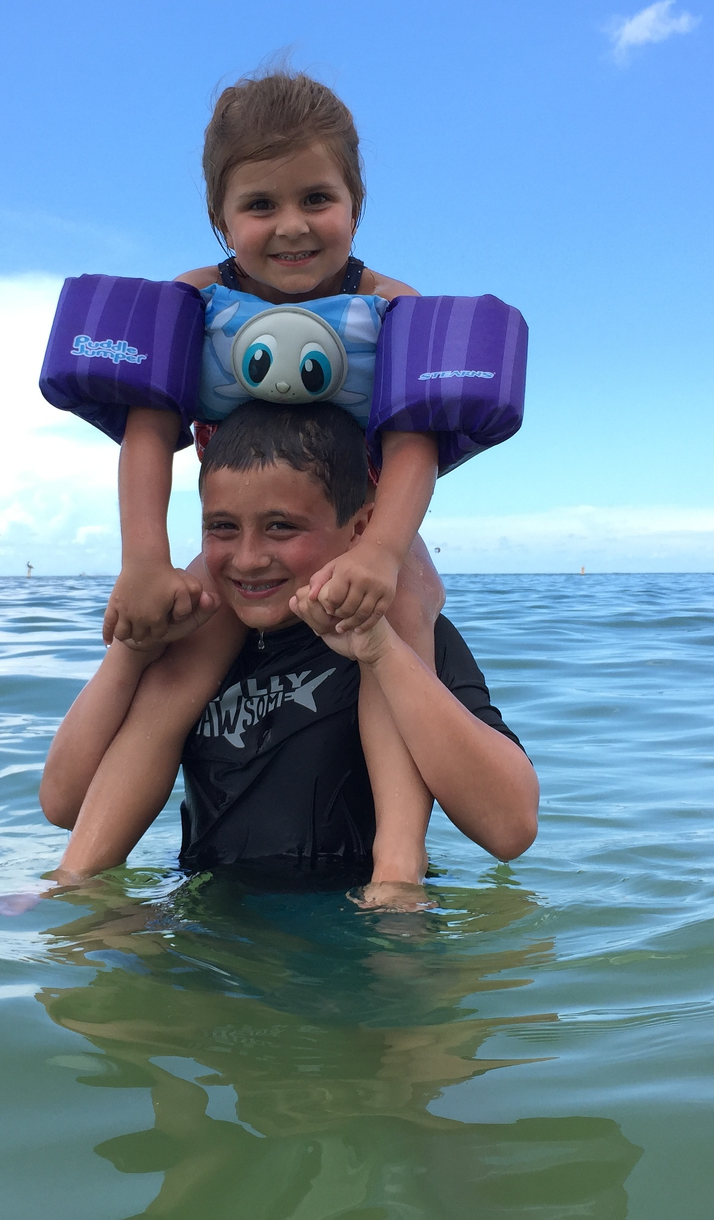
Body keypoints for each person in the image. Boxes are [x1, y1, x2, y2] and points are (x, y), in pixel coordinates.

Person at [41, 67, 526, 888]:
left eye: (317, 198)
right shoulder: (189, 304)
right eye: (261, 204)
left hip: (364, 529)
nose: (292, 225)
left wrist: (381, 554)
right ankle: (76, 875)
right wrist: (144, 563)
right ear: (220, 217)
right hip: (248, 524)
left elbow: (413, 448)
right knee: (175, 672)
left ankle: (397, 868)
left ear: (355, 204)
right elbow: (149, 434)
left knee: (400, 615)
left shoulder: (392, 308)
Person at [39, 401, 537, 895]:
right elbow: (64, 806)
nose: (249, 559)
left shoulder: (406, 636)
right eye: (222, 527)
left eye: (281, 526)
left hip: (360, 921)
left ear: (360, 529)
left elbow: (511, 829)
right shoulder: (196, 638)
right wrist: (132, 650)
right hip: (208, 921)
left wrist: (383, 654)